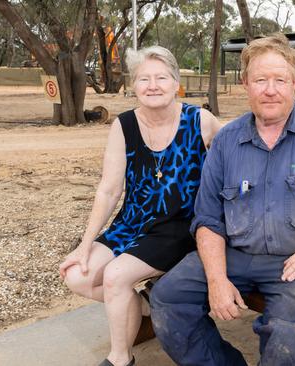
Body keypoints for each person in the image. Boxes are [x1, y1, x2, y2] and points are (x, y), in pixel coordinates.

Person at [150, 34, 295, 365]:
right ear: (245, 83)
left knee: (285, 330)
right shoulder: (227, 141)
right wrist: (216, 279)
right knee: (168, 300)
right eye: (260, 80)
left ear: (294, 83)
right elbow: (208, 219)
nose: (270, 89)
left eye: (280, 80)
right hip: (235, 255)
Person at [58, 46, 221, 366]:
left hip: (180, 226)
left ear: (176, 83)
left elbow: (239, 157)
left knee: (117, 276)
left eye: (162, 77)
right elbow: (108, 189)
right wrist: (85, 244)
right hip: (132, 222)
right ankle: (146, 304)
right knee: (77, 275)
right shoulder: (124, 125)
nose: (153, 85)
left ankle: (120, 358)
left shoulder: (200, 121)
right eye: (143, 79)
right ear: (133, 85)